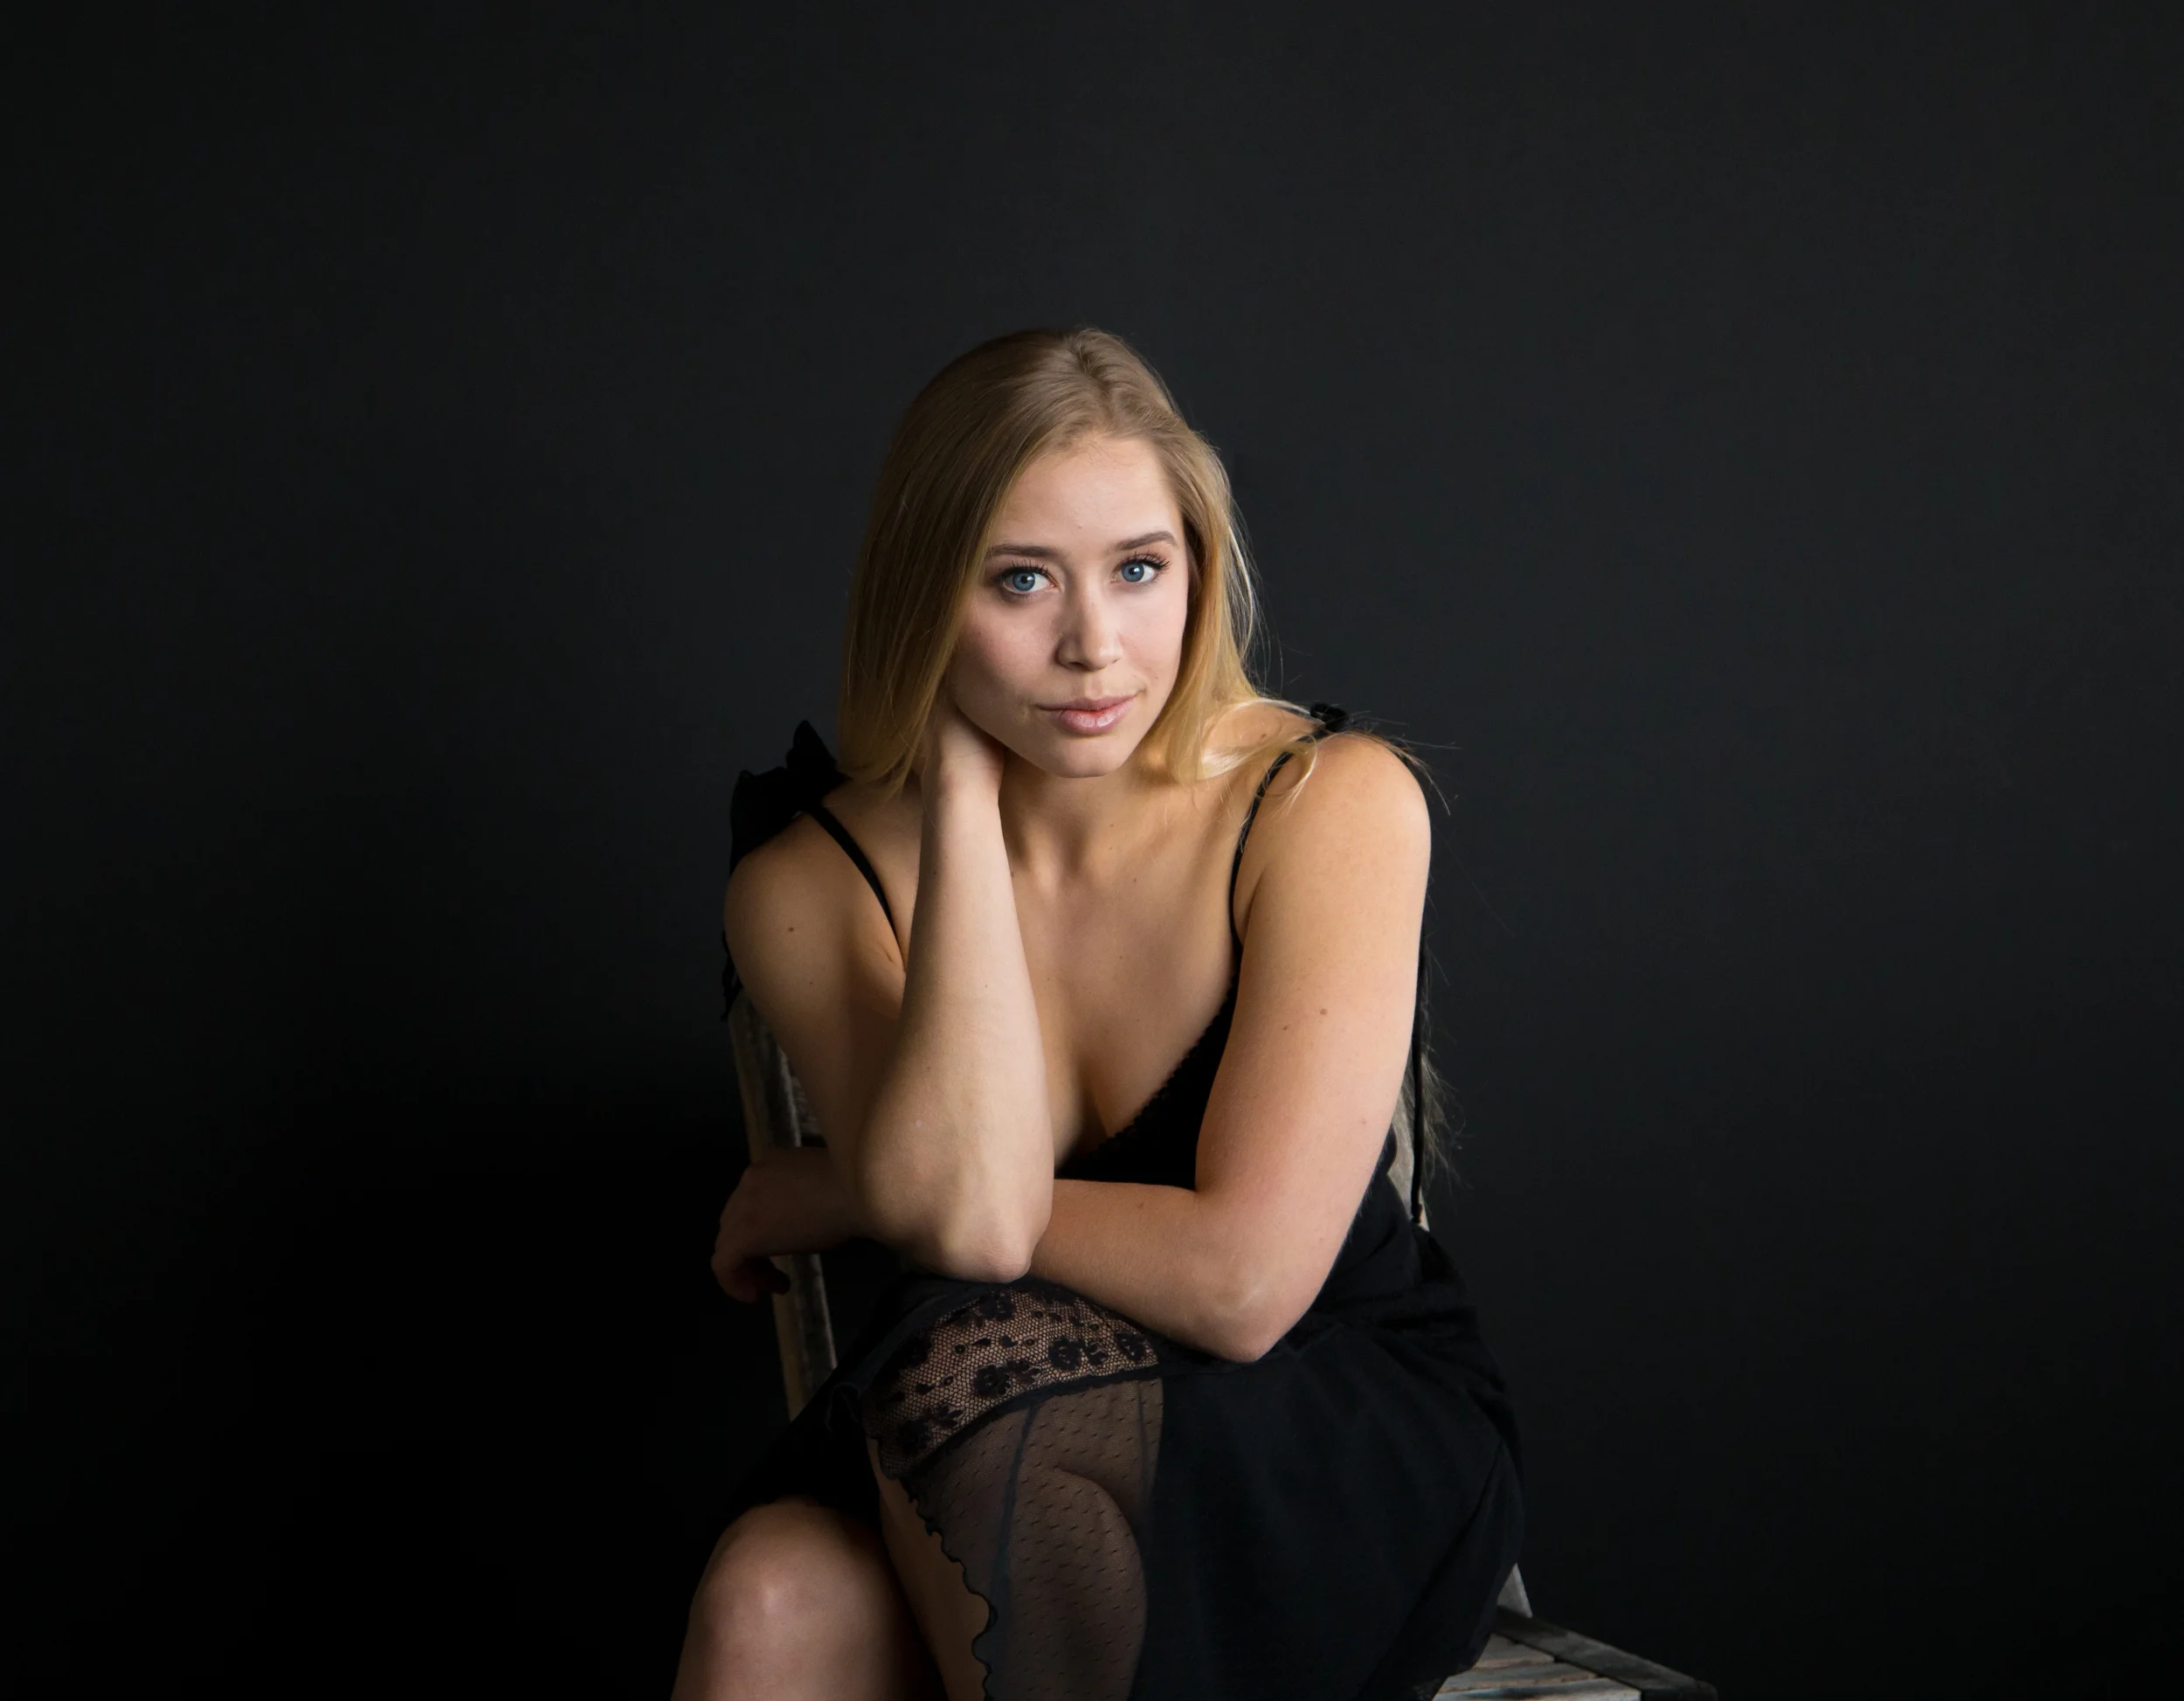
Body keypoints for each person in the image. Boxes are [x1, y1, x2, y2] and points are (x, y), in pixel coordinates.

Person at [673, 328, 1522, 1701]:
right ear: (925, 595)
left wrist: (851, 1189)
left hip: (1312, 1425)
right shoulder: (810, 882)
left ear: (1197, 565)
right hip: (969, 1419)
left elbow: (1241, 1286)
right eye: (1019, 582)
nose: (1093, 646)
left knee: (984, 1384)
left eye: (1141, 569)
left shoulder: (1328, 802)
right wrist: (953, 793)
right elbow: (973, 1218)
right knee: (770, 1597)